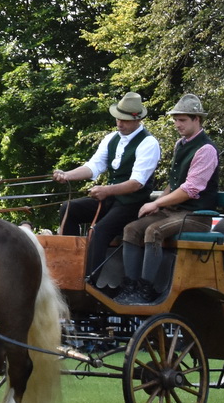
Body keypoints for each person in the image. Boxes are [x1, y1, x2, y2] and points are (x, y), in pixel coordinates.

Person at [117, 94, 220, 304]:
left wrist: (157, 203)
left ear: (197, 119)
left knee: (153, 231)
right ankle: (130, 287)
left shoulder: (206, 149)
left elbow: (189, 190)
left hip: (196, 216)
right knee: (131, 229)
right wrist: (158, 203)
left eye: (182, 120)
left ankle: (147, 290)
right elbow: (174, 183)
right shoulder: (180, 144)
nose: (177, 124)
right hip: (174, 212)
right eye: (175, 120)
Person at [51, 91, 160, 291]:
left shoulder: (148, 143)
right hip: (110, 200)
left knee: (99, 230)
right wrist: (67, 175)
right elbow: (93, 166)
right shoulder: (111, 139)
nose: (120, 123)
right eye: (118, 118)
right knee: (69, 208)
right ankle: (68, 267)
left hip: (132, 204)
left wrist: (107, 190)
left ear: (137, 120)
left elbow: (137, 183)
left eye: (125, 120)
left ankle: (88, 281)